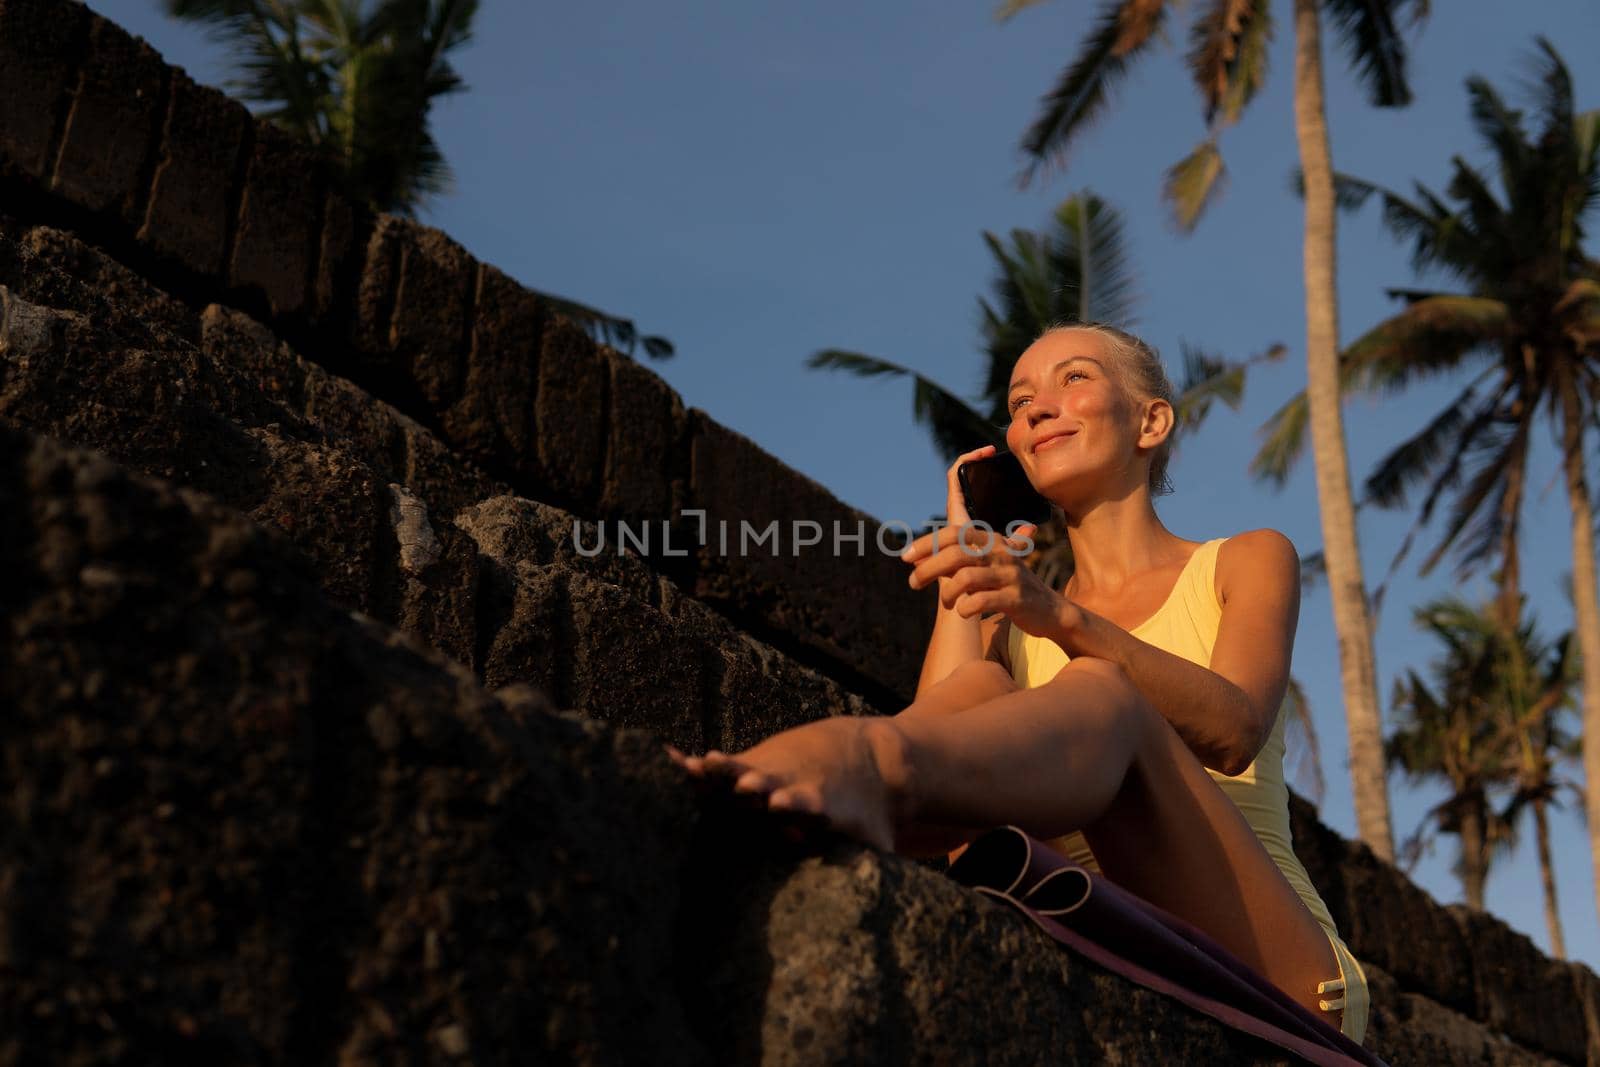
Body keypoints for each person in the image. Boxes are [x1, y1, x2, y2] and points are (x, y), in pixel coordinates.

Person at [668, 322, 1369, 1042]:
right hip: (1108, 927)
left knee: (1106, 694)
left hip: (1279, 969)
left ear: (1150, 420)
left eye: (1074, 379)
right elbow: (938, 749)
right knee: (981, 690)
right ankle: (821, 764)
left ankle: (841, 762)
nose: (1035, 408)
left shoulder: (1244, 560)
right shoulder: (1019, 624)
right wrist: (967, 572)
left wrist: (1058, 612)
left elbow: (1234, 727)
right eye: (1020, 398)